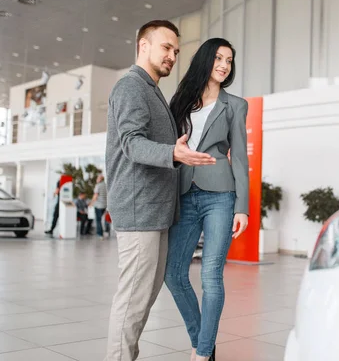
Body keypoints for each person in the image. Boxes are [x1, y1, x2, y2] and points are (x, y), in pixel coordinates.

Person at [104, 20, 216, 361]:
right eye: (166, 47)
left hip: (154, 212)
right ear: (143, 46)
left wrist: (176, 150)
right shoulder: (131, 87)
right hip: (139, 211)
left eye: (176, 51)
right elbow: (132, 144)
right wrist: (173, 152)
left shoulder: (151, 90)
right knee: (133, 301)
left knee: (142, 300)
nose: (172, 55)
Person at [165, 38, 249, 361]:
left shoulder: (236, 105)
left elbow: (239, 158)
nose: (224, 65)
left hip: (221, 195)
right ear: (205, 60)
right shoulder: (181, 100)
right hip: (185, 191)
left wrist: (241, 206)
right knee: (173, 273)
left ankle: (201, 355)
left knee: (211, 273)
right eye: (218, 58)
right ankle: (204, 342)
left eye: (229, 60)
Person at [90, 174, 108, 239]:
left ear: (100, 179)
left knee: (98, 220)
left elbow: (95, 195)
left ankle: (100, 234)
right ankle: (103, 233)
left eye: (97, 178)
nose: (96, 179)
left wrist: (91, 203)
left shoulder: (98, 185)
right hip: (104, 205)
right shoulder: (106, 185)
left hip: (98, 205)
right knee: (102, 220)